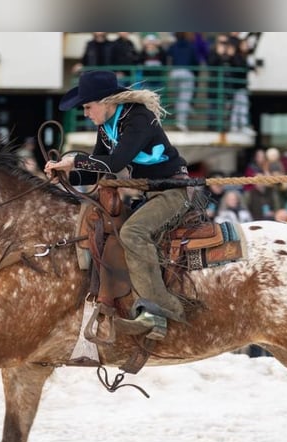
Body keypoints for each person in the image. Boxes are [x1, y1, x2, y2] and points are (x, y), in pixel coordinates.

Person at [45, 70, 192, 339]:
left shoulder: (139, 119)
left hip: (174, 192)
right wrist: (64, 172)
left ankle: (162, 310)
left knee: (132, 233)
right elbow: (98, 171)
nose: (86, 113)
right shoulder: (106, 126)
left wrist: (75, 161)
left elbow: (115, 164)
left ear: (107, 102)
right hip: (149, 193)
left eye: (88, 107)